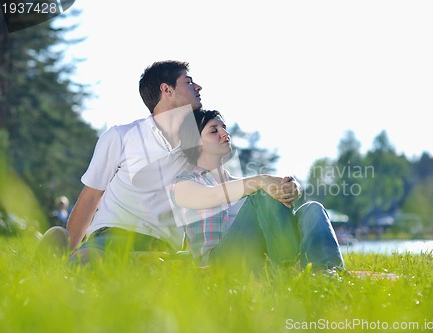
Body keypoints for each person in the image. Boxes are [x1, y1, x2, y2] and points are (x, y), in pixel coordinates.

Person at [36, 60, 302, 263]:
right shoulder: (121, 136)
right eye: (188, 82)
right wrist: (69, 251)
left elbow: (224, 184)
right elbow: (90, 198)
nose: (198, 87)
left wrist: (276, 184)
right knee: (92, 263)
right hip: (114, 236)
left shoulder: (196, 144)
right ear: (166, 90)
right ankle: (58, 263)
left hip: (164, 252)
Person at [169, 110, 345, 272]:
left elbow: (266, 190)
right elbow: (213, 194)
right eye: (214, 131)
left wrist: (292, 188)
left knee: (313, 208)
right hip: (217, 264)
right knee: (262, 193)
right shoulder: (183, 184)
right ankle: (288, 268)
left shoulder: (241, 185)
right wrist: (262, 181)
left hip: (256, 259)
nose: (225, 133)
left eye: (223, 127)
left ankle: (328, 273)